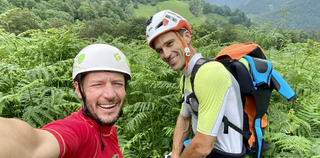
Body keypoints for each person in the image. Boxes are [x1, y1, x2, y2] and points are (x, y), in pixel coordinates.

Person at [0, 43, 131, 158]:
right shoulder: (80, 131)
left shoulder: (107, 128)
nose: (110, 94)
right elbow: (33, 147)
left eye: (117, 83)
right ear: (79, 90)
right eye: (97, 84)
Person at [146, 10, 245, 158]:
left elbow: (203, 146)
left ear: (186, 37)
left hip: (223, 154)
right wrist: (175, 154)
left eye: (170, 43)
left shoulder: (209, 73)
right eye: (160, 50)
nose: (166, 54)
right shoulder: (188, 76)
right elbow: (184, 118)